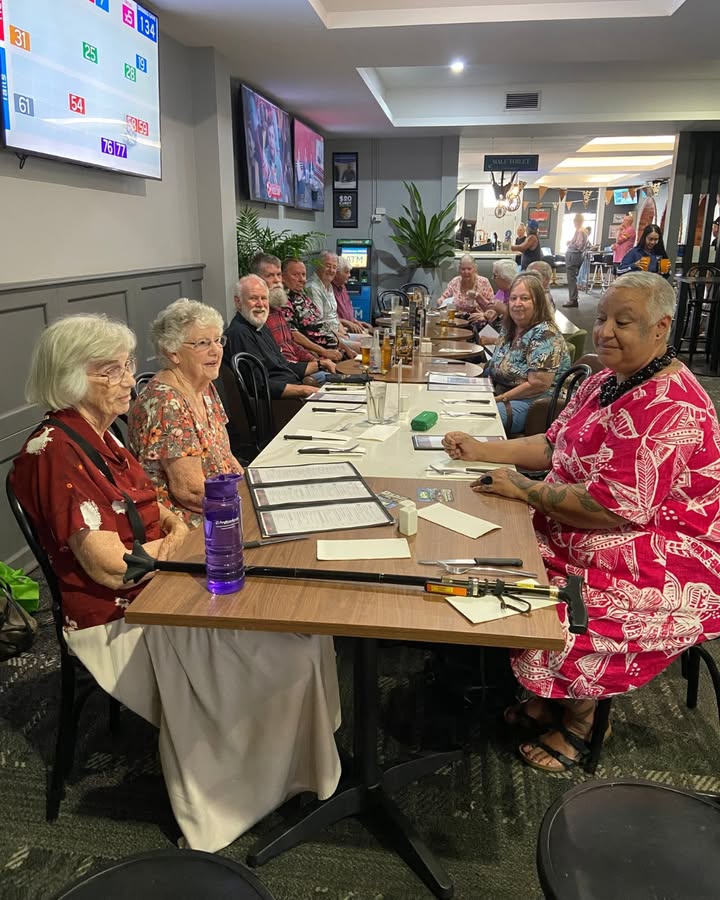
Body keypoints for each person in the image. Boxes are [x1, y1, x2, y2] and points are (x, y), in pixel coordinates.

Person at [11, 313, 341, 851]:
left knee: (307, 622)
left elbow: (152, 503)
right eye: (110, 371)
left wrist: (182, 535)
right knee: (288, 649)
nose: (126, 379)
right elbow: (110, 566)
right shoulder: (55, 451)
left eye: (125, 365)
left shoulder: (100, 432)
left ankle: (303, 761)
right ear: (70, 376)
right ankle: (243, 792)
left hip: (162, 580)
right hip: (123, 612)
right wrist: (187, 549)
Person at [442, 272, 720, 773]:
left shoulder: (674, 405)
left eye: (623, 322)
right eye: (605, 318)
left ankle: (586, 719)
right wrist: (481, 449)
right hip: (587, 524)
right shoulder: (605, 380)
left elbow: (612, 507)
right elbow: (553, 444)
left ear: (661, 328)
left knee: (549, 598)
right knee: (500, 551)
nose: (605, 331)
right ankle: (553, 693)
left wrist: (523, 488)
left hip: (664, 551)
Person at [127, 299, 244, 527]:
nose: (216, 351)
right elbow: (190, 491)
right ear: (173, 353)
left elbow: (224, 455)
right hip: (190, 524)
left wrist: (248, 486)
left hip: (223, 502)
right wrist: (243, 504)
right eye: (202, 343)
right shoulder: (166, 402)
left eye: (218, 341)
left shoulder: (204, 385)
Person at [481, 274, 570, 434]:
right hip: (505, 392)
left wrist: (501, 398)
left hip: (537, 402)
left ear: (538, 303)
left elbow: (538, 385)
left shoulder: (545, 333)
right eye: (513, 298)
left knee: (481, 418)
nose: (517, 304)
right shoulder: (510, 327)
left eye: (524, 298)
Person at [223, 275, 324, 400]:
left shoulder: (260, 326)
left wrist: (320, 364)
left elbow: (283, 366)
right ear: (238, 301)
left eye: (264, 298)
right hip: (279, 406)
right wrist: (303, 390)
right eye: (253, 298)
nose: (260, 304)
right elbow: (258, 385)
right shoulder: (239, 334)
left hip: (293, 391)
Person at [251, 252, 338, 369]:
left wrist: (317, 362)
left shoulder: (277, 309)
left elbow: (291, 343)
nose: (277, 280)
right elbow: (278, 363)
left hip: (306, 362)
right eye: (270, 276)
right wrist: (320, 357)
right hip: (292, 372)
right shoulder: (259, 318)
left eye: (278, 275)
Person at [282, 258, 344, 360]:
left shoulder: (302, 295)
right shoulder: (284, 300)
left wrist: (345, 348)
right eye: (296, 275)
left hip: (336, 348)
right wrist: (324, 352)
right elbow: (293, 334)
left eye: (303, 274)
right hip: (321, 356)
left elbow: (322, 325)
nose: (302, 279)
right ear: (283, 277)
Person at [305, 252, 359, 357]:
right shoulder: (312, 287)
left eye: (334, 267)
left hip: (337, 333)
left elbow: (334, 316)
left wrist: (344, 334)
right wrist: (340, 337)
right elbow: (318, 323)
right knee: (364, 346)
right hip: (326, 337)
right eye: (328, 266)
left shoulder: (328, 286)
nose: (332, 270)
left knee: (370, 340)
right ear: (319, 265)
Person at [438, 254, 495, 321]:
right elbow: (442, 298)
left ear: (475, 269)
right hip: (457, 321)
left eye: (469, 269)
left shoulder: (483, 282)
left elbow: (492, 308)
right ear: (459, 270)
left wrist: (479, 298)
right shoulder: (455, 282)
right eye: (463, 269)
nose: (466, 272)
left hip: (478, 321)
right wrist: (440, 301)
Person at [332, 256, 372, 333]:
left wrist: (355, 321)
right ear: (337, 273)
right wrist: (348, 323)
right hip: (341, 331)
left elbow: (346, 314)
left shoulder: (342, 286)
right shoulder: (329, 289)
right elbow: (330, 318)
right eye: (346, 272)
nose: (349, 275)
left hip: (350, 327)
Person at [563, 213, 590, 308]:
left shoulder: (580, 231)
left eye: (574, 221)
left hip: (573, 256)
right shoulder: (585, 231)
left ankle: (573, 299)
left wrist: (570, 243)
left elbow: (578, 245)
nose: (574, 223)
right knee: (573, 278)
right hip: (577, 256)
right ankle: (573, 298)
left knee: (571, 278)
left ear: (577, 221)